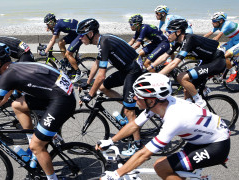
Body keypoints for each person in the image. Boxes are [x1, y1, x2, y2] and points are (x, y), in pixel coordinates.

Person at [0, 43, 76, 180]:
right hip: (56, 92)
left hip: (62, 100)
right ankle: (33, 150)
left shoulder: (8, 76)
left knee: (37, 145)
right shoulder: (13, 68)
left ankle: (51, 176)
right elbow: (0, 100)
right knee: (17, 105)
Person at [98, 73, 230, 180]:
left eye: (138, 96)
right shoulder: (160, 103)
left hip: (216, 144)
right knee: (174, 171)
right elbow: (134, 125)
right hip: (203, 137)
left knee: (160, 167)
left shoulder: (174, 119)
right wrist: (110, 141)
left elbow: (144, 154)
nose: (134, 99)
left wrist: (116, 174)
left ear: (151, 100)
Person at [77, 18, 143, 156]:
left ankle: (137, 145)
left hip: (134, 71)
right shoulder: (102, 42)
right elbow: (97, 63)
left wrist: (90, 95)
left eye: (82, 35)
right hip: (126, 70)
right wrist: (88, 83)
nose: (80, 38)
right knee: (102, 87)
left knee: (129, 112)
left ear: (90, 34)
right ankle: (130, 105)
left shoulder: (104, 42)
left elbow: (101, 75)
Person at [147, 19, 226, 108]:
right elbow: (164, 56)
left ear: (178, 32)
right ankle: (191, 111)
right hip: (206, 61)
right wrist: (148, 68)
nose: (167, 35)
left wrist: (157, 76)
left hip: (217, 61)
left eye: (169, 32)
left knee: (181, 77)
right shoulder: (178, 42)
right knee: (186, 90)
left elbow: (174, 63)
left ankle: (199, 101)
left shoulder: (189, 39)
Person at [43, 13, 84, 83]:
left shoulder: (58, 25)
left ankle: (78, 73)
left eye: (47, 24)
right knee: (60, 43)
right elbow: (57, 36)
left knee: (68, 54)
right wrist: (51, 28)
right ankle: (66, 60)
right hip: (75, 33)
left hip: (80, 34)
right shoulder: (57, 23)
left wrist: (45, 51)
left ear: (51, 22)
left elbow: (53, 40)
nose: (47, 26)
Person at [204, 12, 239, 83]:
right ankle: (220, 70)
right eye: (212, 21)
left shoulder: (227, 24)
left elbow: (217, 37)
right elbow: (209, 34)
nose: (212, 23)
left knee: (224, 55)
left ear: (221, 21)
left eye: (214, 21)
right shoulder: (218, 25)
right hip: (233, 41)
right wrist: (197, 40)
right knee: (218, 53)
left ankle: (233, 72)